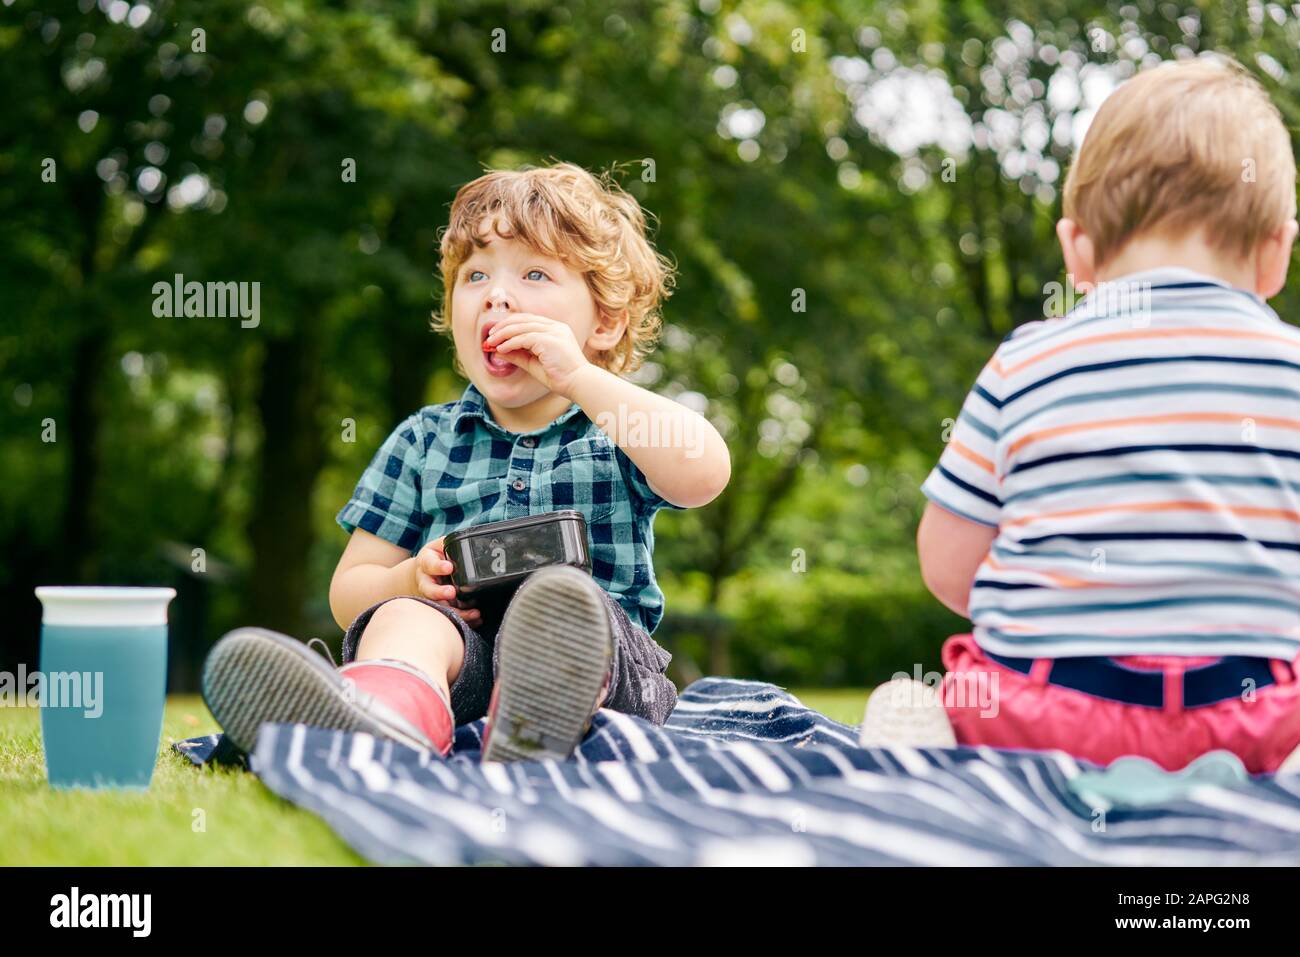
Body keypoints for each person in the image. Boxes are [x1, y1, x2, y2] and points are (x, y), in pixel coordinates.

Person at [202, 163, 730, 762]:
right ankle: (386, 715)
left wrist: (580, 378)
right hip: (464, 668)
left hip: (605, 672)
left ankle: (537, 720)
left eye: (534, 273)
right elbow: (350, 590)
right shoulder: (424, 440)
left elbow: (704, 473)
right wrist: (406, 583)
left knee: (563, 607)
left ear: (604, 322)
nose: (497, 295)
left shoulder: (618, 425)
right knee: (405, 619)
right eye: (475, 276)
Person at [862, 57, 1300, 774]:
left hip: (1041, 716)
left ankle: (920, 755)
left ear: (1078, 253)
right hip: (1249, 721)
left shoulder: (1023, 363)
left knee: (914, 693)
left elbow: (947, 567)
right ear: (1276, 251)